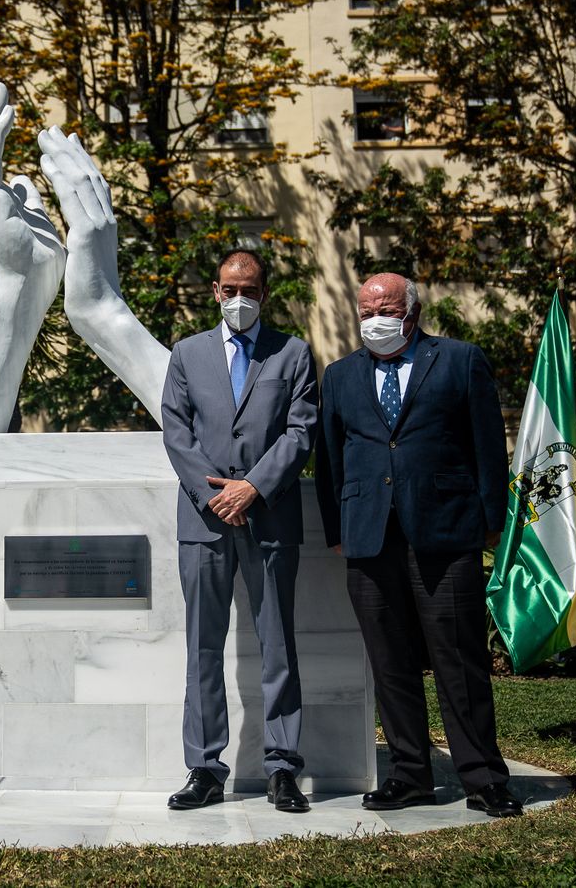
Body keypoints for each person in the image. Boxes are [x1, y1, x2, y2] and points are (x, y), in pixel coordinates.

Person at [313, 272, 522, 818]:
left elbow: (486, 447)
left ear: (411, 311)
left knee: (460, 661)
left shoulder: (459, 360)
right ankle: (410, 775)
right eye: (363, 310)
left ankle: (483, 777)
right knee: (390, 663)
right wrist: (338, 531)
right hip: (368, 538)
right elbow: (332, 457)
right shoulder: (338, 376)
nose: (373, 318)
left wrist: (490, 521)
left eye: (383, 307)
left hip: (446, 533)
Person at [159, 248, 317, 814]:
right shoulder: (187, 354)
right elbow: (177, 433)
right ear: (215, 292)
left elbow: (300, 432)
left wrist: (252, 487)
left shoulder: (293, 353)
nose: (238, 299)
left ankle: (282, 769)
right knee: (203, 648)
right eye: (229, 289)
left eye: (249, 290)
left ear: (264, 294)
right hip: (204, 523)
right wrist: (215, 495)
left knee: (278, 645)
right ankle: (204, 768)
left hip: (269, 516)